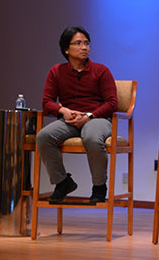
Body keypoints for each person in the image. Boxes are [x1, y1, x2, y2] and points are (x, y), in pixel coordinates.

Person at [36, 26, 118, 203]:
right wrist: (63, 110)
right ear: (66, 49)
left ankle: (99, 186)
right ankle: (62, 182)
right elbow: (47, 101)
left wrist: (89, 116)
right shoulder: (56, 71)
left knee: (92, 137)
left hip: (97, 118)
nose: (84, 47)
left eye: (87, 43)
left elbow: (112, 103)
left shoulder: (101, 71)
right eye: (78, 43)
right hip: (69, 120)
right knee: (43, 136)